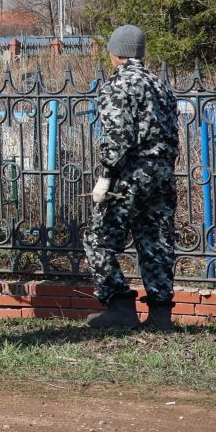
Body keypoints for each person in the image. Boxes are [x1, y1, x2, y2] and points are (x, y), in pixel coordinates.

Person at [83, 24, 179, 331]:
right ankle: (161, 314)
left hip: (131, 174)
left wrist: (106, 176)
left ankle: (119, 303)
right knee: (156, 241)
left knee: (98, 239)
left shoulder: (119, 85)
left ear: (115, 52)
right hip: (163, 172)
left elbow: (118, 136)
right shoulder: (161, 86)